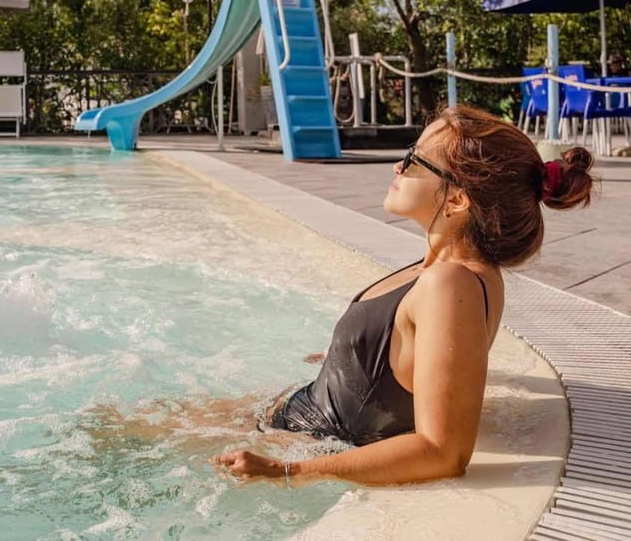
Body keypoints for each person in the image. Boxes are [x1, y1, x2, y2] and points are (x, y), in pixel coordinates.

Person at [213, 105, 595, 485]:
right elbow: (416, 363)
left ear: (457, 200)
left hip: (294, 442)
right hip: (290, 418)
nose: (398, 168)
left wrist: (285, 471)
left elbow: (444, 452)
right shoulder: (459, 270)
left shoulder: (450, 285)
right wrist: (352, 359)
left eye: (414, 161)